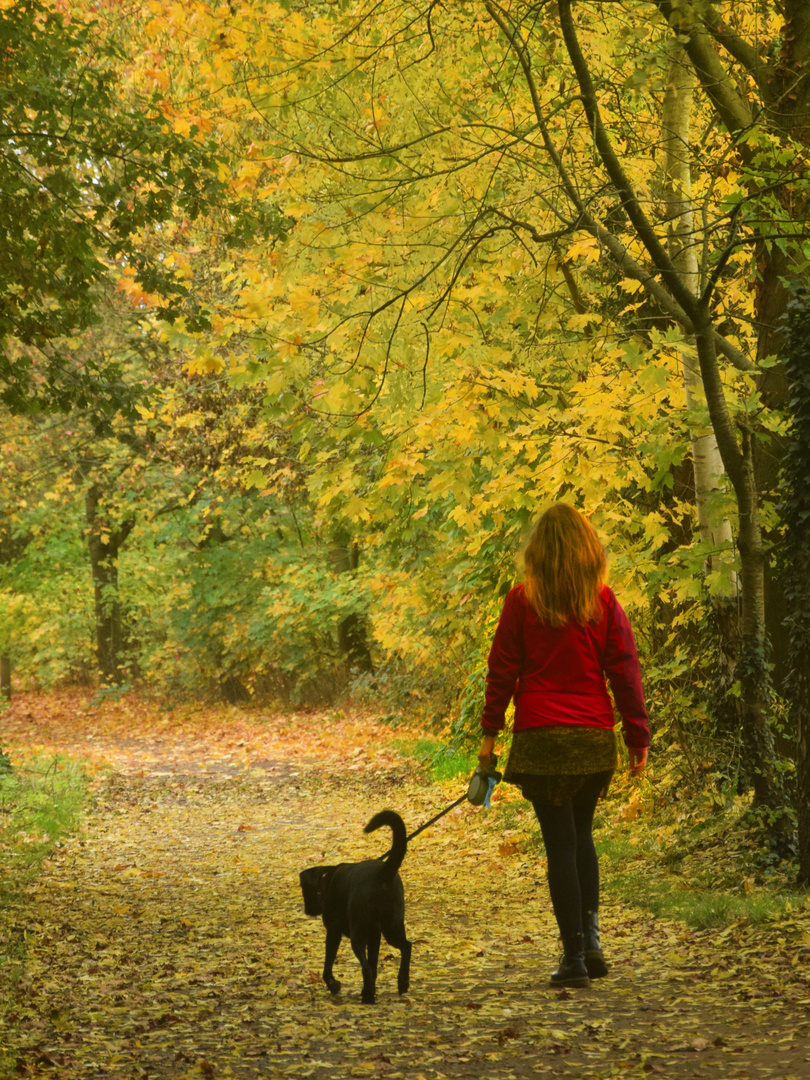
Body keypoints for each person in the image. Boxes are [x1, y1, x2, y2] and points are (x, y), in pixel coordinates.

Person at [478, 503, 649, 989]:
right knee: (583, 837)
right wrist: (637, 736)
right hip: (594, 740)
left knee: (561, 846)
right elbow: (625, 670)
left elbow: (502, 671)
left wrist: (489, 738)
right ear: (588, 552)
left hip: (543, 741)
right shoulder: (603, 602)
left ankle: (574, 956)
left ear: (538, 552)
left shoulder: (521, 601)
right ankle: (591, 939)